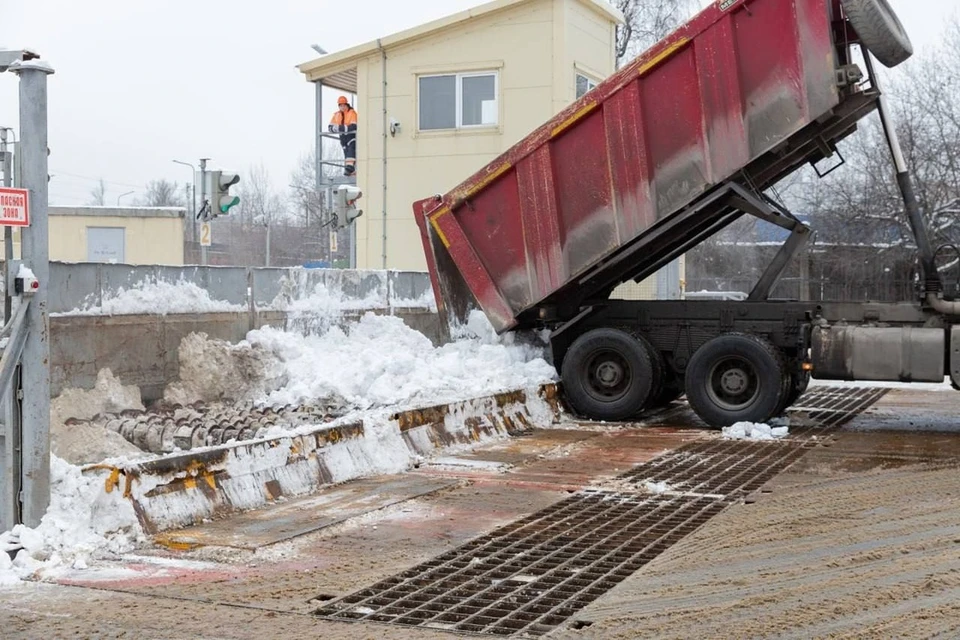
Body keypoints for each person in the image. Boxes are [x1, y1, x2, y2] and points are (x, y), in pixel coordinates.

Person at [329, 96, 358, 176]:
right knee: (346, 151)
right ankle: (349, 169)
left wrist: (339, 128)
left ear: (346, 105)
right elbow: (330, 127)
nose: (342, 107)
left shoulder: (352, 113)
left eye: (343, 105)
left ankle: (350, 167)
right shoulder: (336, 115)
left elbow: (353, 126)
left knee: (351, 149)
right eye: (340, 105)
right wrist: (339, 128)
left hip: (351, 135)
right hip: (342, 136)